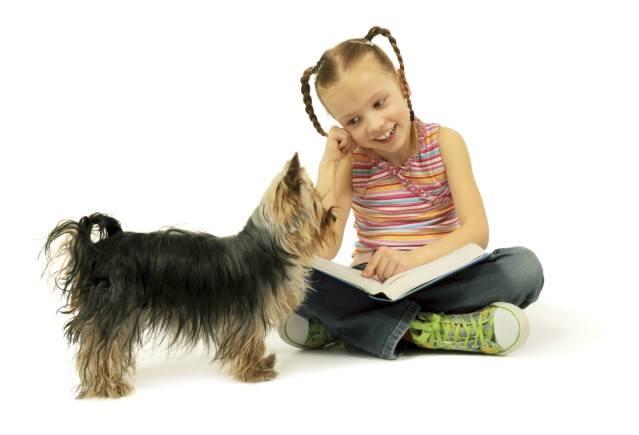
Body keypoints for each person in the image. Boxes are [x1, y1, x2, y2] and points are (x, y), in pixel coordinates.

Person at [278, 26, 544, 359]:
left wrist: (410, 261)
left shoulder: (445, 142)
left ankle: (349, 327)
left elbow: (477, 232)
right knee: (291, 275)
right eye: (355, 120)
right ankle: (435, 331)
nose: (375, 124)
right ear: (341, 127)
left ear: (403, 85)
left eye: (379, 102)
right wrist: (328, 168)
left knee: (523, 269)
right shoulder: (350, 161)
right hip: (374, 285)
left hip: (442, 274)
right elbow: (325, 249)